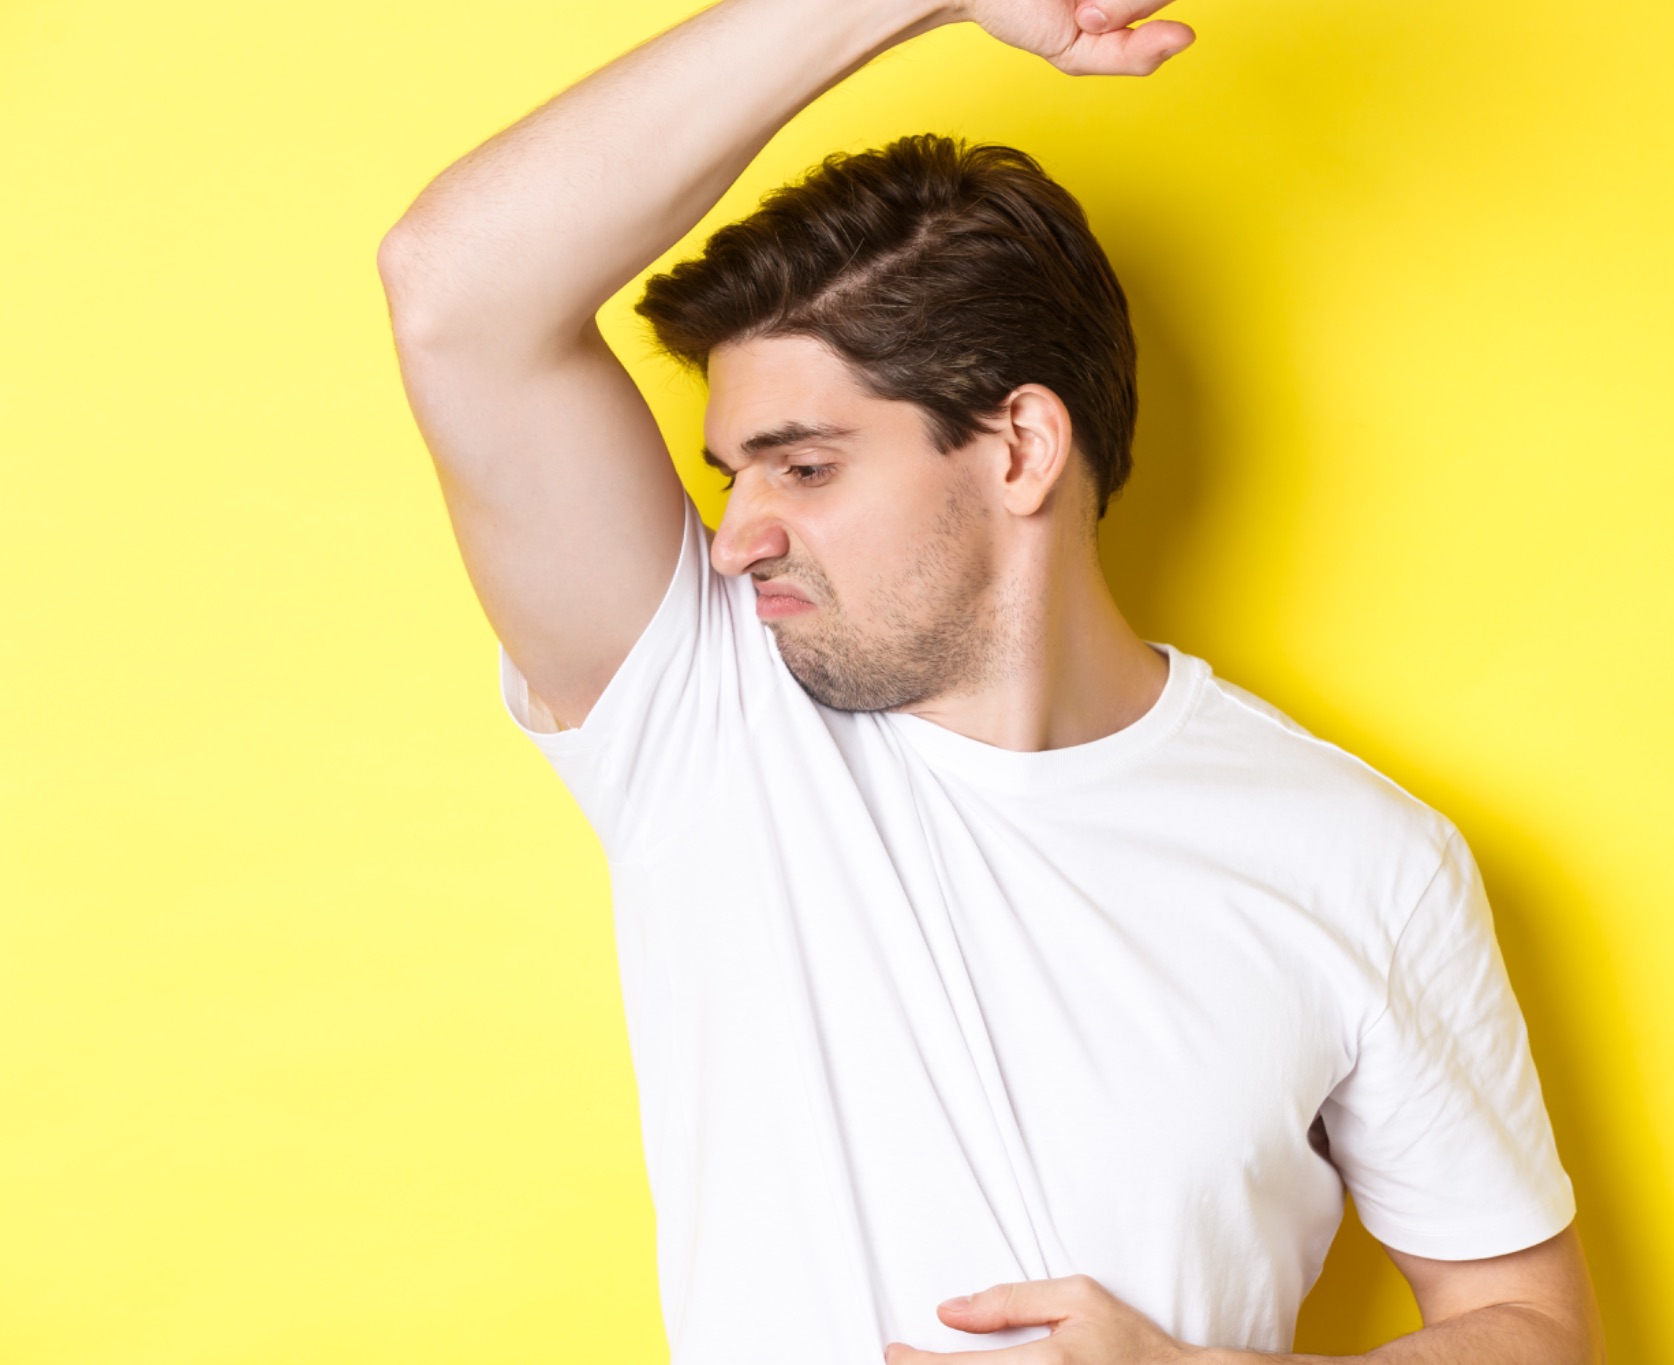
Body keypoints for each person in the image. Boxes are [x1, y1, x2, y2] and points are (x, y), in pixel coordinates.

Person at [376, 1, 1605, 1361]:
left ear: (1020, 448)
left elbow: (1529, 1327)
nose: (735, 538)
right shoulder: (706, 713)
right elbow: (453, 290)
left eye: (805, 465)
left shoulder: (1360, 857)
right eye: (735, 476)